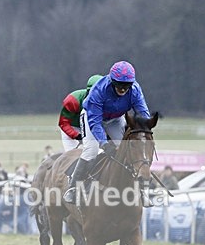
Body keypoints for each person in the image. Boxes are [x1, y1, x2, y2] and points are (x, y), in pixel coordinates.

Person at [63, 60, 151, 204]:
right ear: (111, 81)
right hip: (92, 117)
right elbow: (95, 122)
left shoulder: (135, 90)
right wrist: (104, 143)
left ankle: (141, 189)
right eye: (119, 85)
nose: (123, 89)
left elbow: (143, 113)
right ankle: (73, 187)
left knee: (130, 148)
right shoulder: (99, 90)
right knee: (91, 150)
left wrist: (144, 130)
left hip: (115, 118)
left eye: (126, 86)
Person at [58, 74, 103, 152]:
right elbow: (63, 123)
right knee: (73, 155)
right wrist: (76, 135)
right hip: (72, 128)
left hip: (90, 128)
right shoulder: (73, 100)